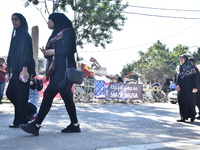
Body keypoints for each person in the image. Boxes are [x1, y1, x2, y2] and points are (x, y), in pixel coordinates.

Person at [19, 13, 81, 136]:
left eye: (50, 20)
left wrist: (53, 51)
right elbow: (56, 53)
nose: (48, 22)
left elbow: (71, 50)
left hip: (65, 70)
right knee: (67, 97)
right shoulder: (57, 34)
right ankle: (74, 125)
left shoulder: (67, 32)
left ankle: (35, 125)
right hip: (56, 70)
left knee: (48, 94)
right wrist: (47, 53)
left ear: (56, 20)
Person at [6, 13, 35, 128]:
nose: (14, 21)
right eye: (12, 19)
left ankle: (20, 121)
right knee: (11, 93)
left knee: (21, 96)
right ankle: (29, 110)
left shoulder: (24, 35)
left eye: (16, 19)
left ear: (21, 21)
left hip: (23, 71)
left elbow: (26, 53)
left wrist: (25, 69)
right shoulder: (16, 36)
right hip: (17, 71)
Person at [175, 54, 198, 122]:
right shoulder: (178, 68)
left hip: (189, 88)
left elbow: (195, 78)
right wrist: (177, 85)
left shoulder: (192, 68)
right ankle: (183, 117)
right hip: (181, 89)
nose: (181, 60)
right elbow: (175, 78)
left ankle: (192, 116)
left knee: (190, 102)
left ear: (186, 59)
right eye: (180, 58)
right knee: (181, 102)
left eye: (182, 58)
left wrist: (195, 87)